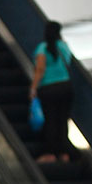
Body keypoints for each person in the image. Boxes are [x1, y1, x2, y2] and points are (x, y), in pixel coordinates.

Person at [30, 21, 73, 163]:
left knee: (51, 121)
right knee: (63, 121)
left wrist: (33, 87)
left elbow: (40, 69)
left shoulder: (43, 47)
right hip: (66, 87)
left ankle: (50, 153)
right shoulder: (64, 47)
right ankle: (64, 154)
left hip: (48, 88)